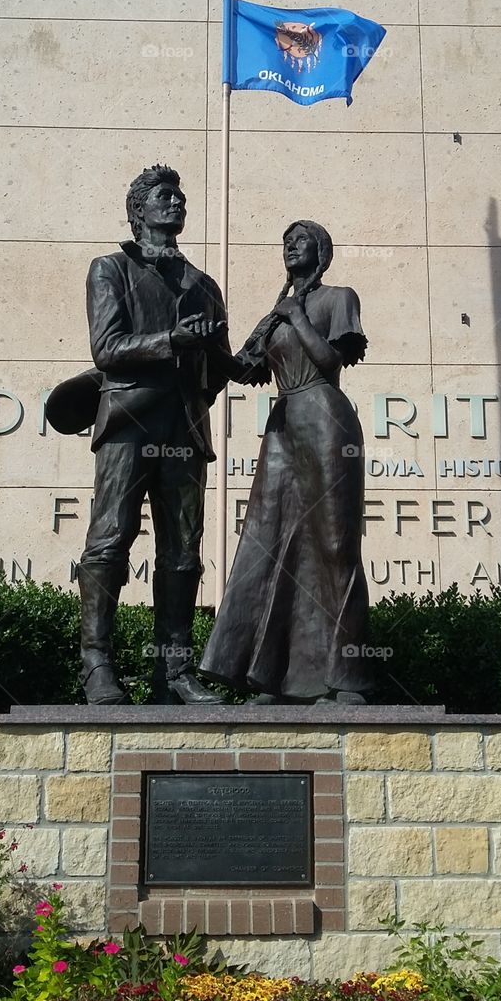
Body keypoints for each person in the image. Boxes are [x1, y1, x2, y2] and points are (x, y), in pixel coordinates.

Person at [46, 164, 231, 705]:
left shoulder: (205, 285)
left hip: (186, 426)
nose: (176, 203)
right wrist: (171, 340)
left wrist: (235, 356)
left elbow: (216, 371)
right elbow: (107, 348)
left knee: (184, 552)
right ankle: (96, 666)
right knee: (110, 539)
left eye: (180, 197)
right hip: (128, 420)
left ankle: (173, 673)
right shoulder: (110, 268)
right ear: (138, 211)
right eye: (164, 196)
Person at [199, 219, 373, 704]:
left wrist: (296, 315)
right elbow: (242, 369)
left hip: (325, 415)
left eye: (300, 240)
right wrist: (208, 340)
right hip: (282, 427)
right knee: (270, 541)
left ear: (321, 251)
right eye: (285, 241)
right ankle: (271, 677)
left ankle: (348, 679)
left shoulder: (337, 297)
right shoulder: (273, 316)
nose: (290, 246)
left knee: (336, 543)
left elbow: (331, 361)